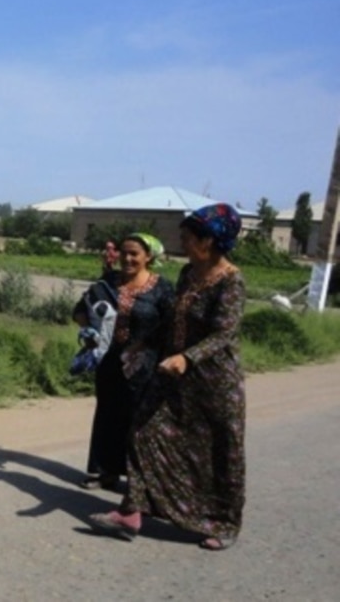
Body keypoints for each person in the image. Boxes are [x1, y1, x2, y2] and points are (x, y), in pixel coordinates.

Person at [90, 203, 247, 551]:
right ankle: (132, 511)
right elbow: (171, 318)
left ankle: (222, 523)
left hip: (214, 381)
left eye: (189, 237)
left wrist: (187, 358)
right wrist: (141, 346)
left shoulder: (231, 281)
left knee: (218, 451)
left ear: (209, 240)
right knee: (143, 431)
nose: (182, 241)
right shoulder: (189, 273)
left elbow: (224, 334)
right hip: (171, 371)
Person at [73, 233, 174, 490]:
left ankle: (138, 479)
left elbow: (172, 326)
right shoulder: (108, 283)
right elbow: (80, 310)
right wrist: (88, 331)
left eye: (134, 254)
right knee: (107, 413)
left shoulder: (161, 288)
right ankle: (103, 471)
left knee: (138, 419)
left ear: (149, 257)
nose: (127, 259)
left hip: (145, 363)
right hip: (109, 360)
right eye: (123, 253)